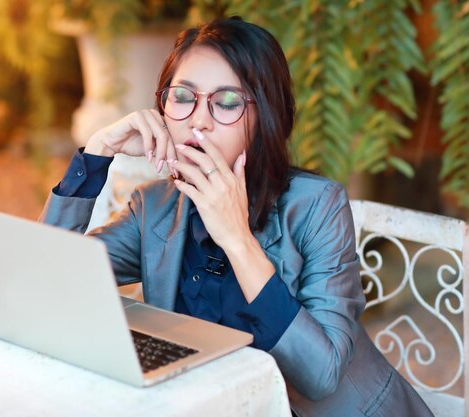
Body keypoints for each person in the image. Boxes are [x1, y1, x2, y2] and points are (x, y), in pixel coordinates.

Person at [40, 17, 434, 417]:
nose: (198, 119)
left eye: (226, 102)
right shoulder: (155, 206)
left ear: (265, 117)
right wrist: (96, 153)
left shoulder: (318, 206)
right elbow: (47, 279)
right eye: (182, 96)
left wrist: (237, 238)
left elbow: (322, 376)